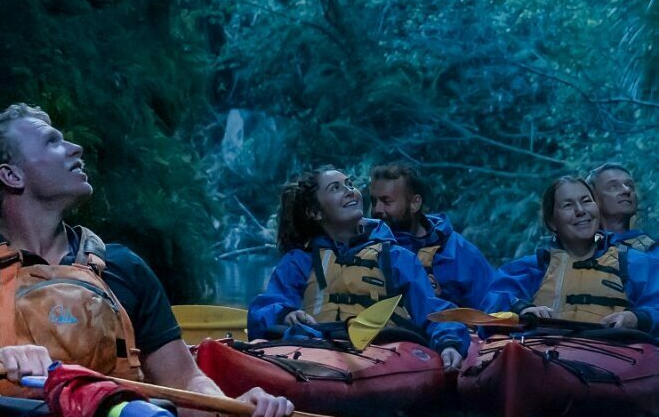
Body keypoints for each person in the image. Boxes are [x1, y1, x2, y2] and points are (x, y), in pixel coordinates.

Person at [0, 103, 293, 417]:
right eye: (52, 141)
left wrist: (231, 409)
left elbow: (185, 385)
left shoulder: (124, 268)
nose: (76, 148)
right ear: (11, 176)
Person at [247, 168, 470, 371]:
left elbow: (431, 309)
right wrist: (284, 313)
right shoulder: (299, 262)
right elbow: (265, 308)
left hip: (385, 352)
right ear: (315, 212)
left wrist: (449, 343)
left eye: (350, 184)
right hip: (315, 348)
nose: (350, 191)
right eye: (336, 188)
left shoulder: (396, 257)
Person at [483, 176, 659, 334]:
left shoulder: (634, 263)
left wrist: (637, 318)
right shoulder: (531, 268)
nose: (580, 210)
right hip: (545, 358)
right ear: (552, 222)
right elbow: (492, 302)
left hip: (615, 359)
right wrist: (522, 309)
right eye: (568, 205)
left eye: (586, 201)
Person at [368, 162, 495, 308]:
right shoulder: (368, 249)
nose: (376, 209)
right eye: (373, 201)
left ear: (415, 203)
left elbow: (490, 303)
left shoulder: (457, 250)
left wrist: (442, 300)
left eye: (386, 201)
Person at [586, 162, 657, 253]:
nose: (626, 190)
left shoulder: (653, 250)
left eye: (630, 186)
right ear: (593, 198)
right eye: (613, 187)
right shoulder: (575, 252)